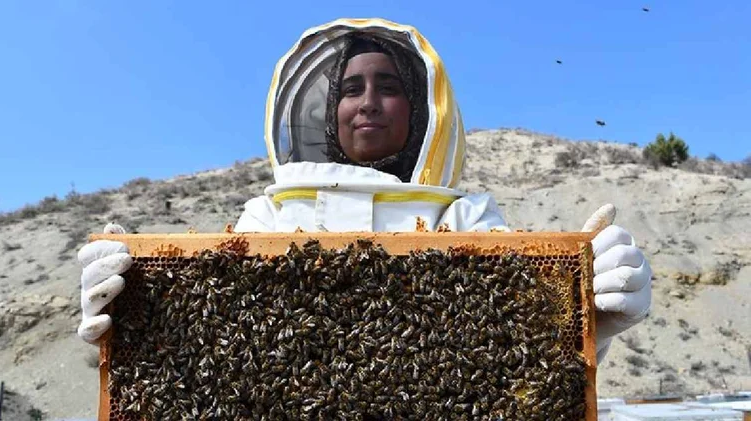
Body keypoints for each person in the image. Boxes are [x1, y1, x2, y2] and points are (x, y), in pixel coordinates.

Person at [77, 18, 652, 364]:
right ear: (329, 113)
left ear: (422, 108)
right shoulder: (269, 219)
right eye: (351, 89)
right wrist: (134, 318)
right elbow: (209, 357)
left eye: (389, 87)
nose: (369, 102)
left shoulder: (467, 218)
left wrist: (591, 322)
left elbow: (529, 362)